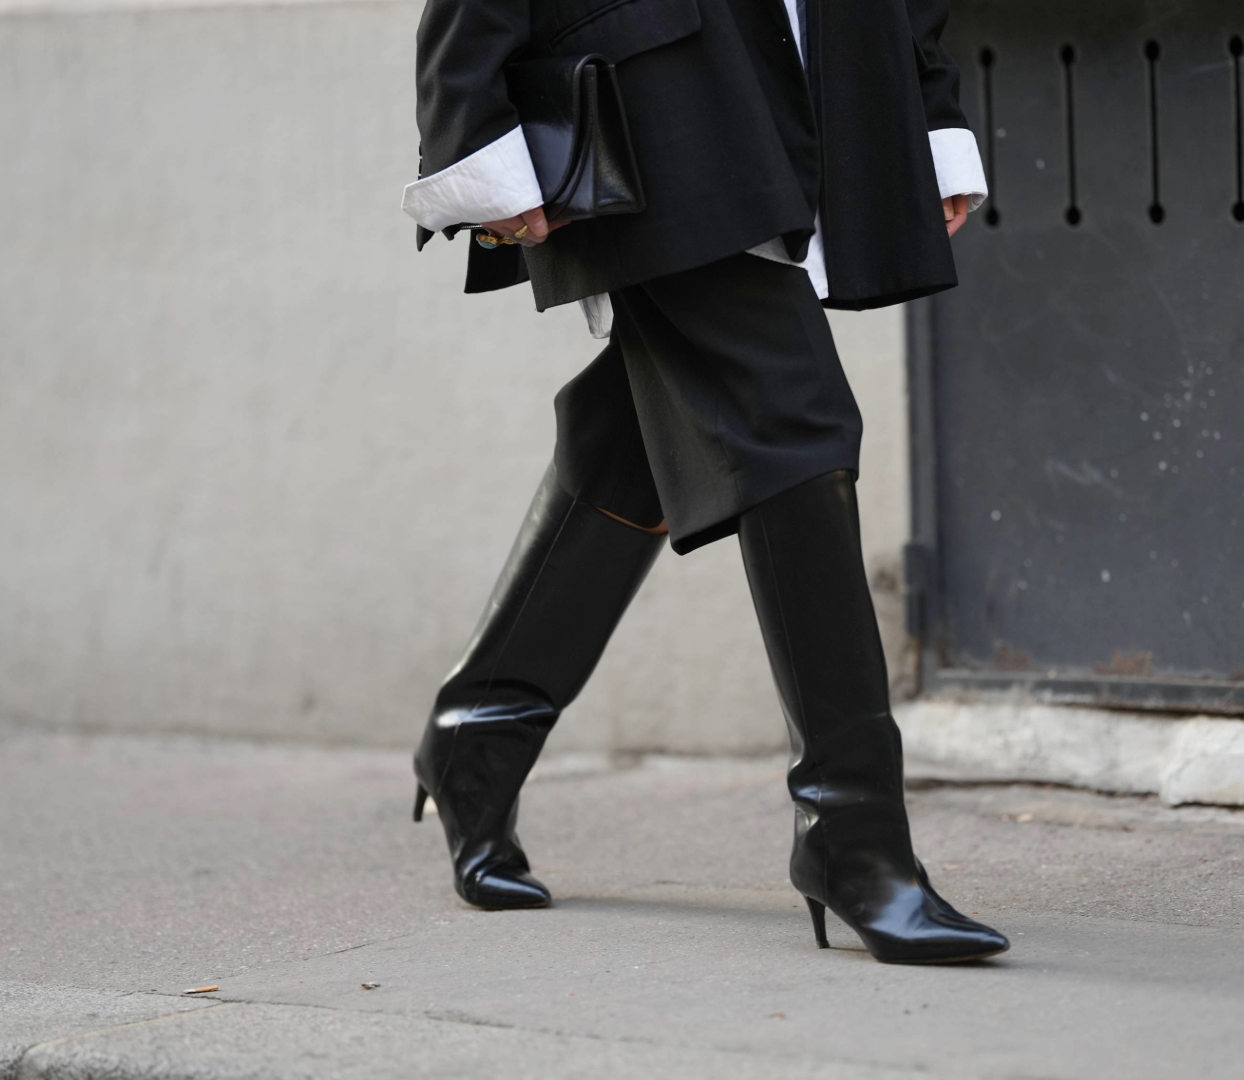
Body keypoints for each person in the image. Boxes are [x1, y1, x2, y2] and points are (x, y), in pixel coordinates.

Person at [402, 0, 1008, 964]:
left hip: (810, 80)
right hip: (647, 96)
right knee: (791, 421)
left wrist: (922, 108)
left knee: (633, 445)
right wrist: (472, 130)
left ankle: (480, 731)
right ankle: (852, 841)